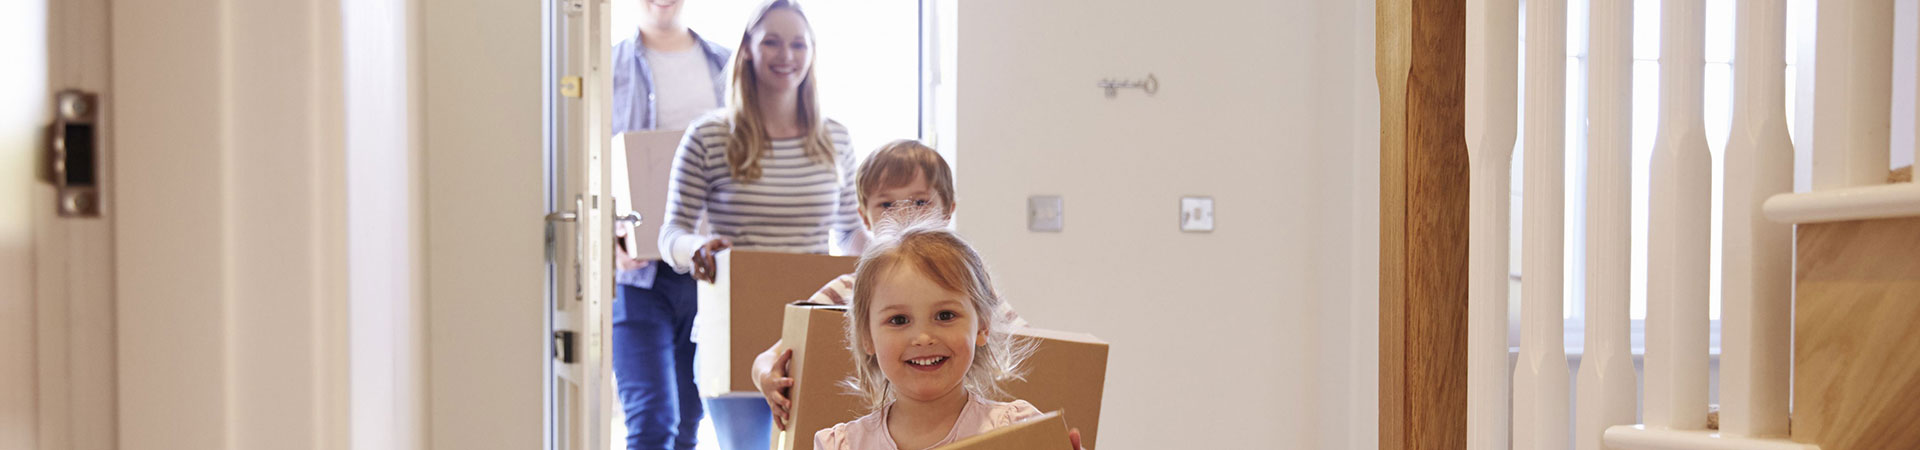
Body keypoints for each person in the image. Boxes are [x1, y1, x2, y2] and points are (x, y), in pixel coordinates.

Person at [657, 1, 863, 447]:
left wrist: (886, 258)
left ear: (811, 54)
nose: (785, 54)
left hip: (813, 327)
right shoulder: (709, 135)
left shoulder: (836, 138)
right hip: (734, 329)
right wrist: (696, 247)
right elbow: (670, 233)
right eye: (771, 41)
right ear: (748, 48)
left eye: (797, 43)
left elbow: (849, 231)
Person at [750, 140, 1024, 431]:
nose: (903, 214)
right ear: (864, 216)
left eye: (920, 202)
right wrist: (766, 376)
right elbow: (772, 355)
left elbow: (1035, 341)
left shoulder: (967, 285)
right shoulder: (848, 289)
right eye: (886, 204)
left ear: (947, 211)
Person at [810, 221, 1081, 450]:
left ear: (982, 326)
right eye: (899, 320)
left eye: (945, 316)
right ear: (866, 336)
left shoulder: (1015, 431)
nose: (924, 337)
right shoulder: (843, 445)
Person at [606, 0, 731, 449]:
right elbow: (586, 161)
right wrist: (608, 238)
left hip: (708, 271)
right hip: (639, 274)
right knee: (652, 421)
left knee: (686, 427)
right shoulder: (607, 64)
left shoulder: (728, 65)